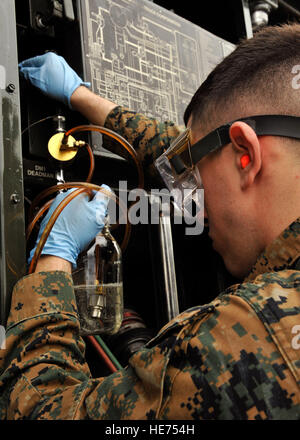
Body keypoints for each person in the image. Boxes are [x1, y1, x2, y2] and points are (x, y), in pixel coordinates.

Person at [1, 23, 300, 420]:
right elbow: (194, 149)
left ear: (246, 155)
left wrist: (52, 259)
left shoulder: (252, 337)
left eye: (194, 179)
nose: (194, 203)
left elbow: (37, 410)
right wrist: (83, 98)